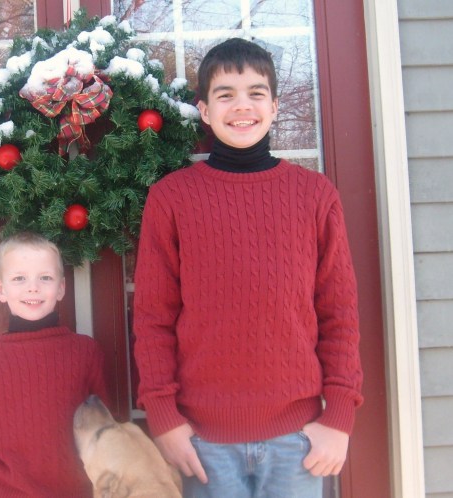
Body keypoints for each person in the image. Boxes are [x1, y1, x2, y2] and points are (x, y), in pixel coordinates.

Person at [132, 38, 363, 498]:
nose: (242, 106)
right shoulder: (171, 198)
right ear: (204, 110)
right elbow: (153, 318)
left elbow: (339, 313)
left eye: (256, 93)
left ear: (274, 107)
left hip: (298, 442)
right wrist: (164, 418)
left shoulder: (315, 196)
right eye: (225, 94)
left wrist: (338, 417)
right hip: (204, 443)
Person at [0, 231, 108, 497]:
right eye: (19, 278)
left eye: (45, 278)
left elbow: (107, 434)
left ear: (61, 288)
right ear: (1, 290)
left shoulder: (86, 352)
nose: (33, 287)